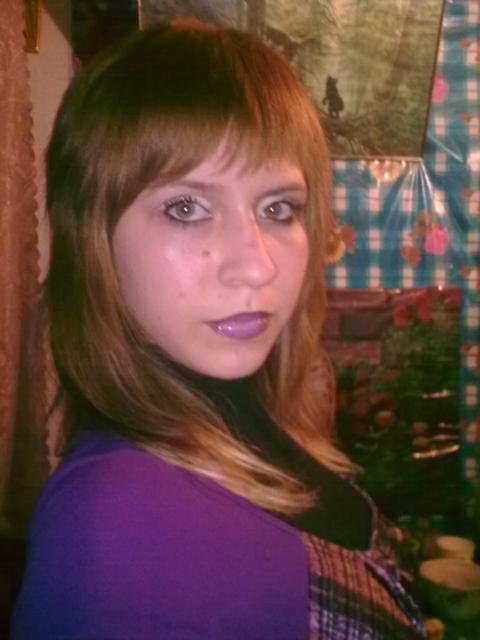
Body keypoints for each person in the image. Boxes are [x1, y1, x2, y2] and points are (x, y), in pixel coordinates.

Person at [12, 19, 426, 640]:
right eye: (186, 208)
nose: (258, 265)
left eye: (278, 208)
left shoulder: (245, 408)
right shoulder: (116, 535)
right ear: (93, 241)